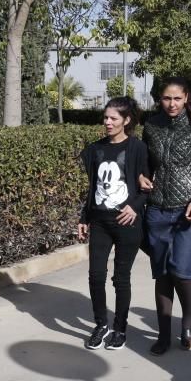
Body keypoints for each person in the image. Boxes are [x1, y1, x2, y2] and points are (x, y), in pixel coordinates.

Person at [139, 78, 191, 356]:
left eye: (176, 98)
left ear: (186, 98)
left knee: (181, 268)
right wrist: (141, 175)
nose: (171, 104)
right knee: (162, 272)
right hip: (157, 209)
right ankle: (163, 334)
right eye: (166, 99)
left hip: (188, 210)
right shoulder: (151, 127)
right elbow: (146, 163)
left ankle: (188, 320)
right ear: (159, 99)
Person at [77, 97, 150, 351]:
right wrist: (84, 217)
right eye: (106, 117)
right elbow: (90, 188)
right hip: (100, 221)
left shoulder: (138, 148)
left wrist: (135, 206)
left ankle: (120, 329)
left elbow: (147, 186)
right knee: (95, 275)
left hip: (127, 222)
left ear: (126, 121)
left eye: (113, 118)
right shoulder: (94, 149)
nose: (107, 122)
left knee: (121, 278)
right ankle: (101, 325)